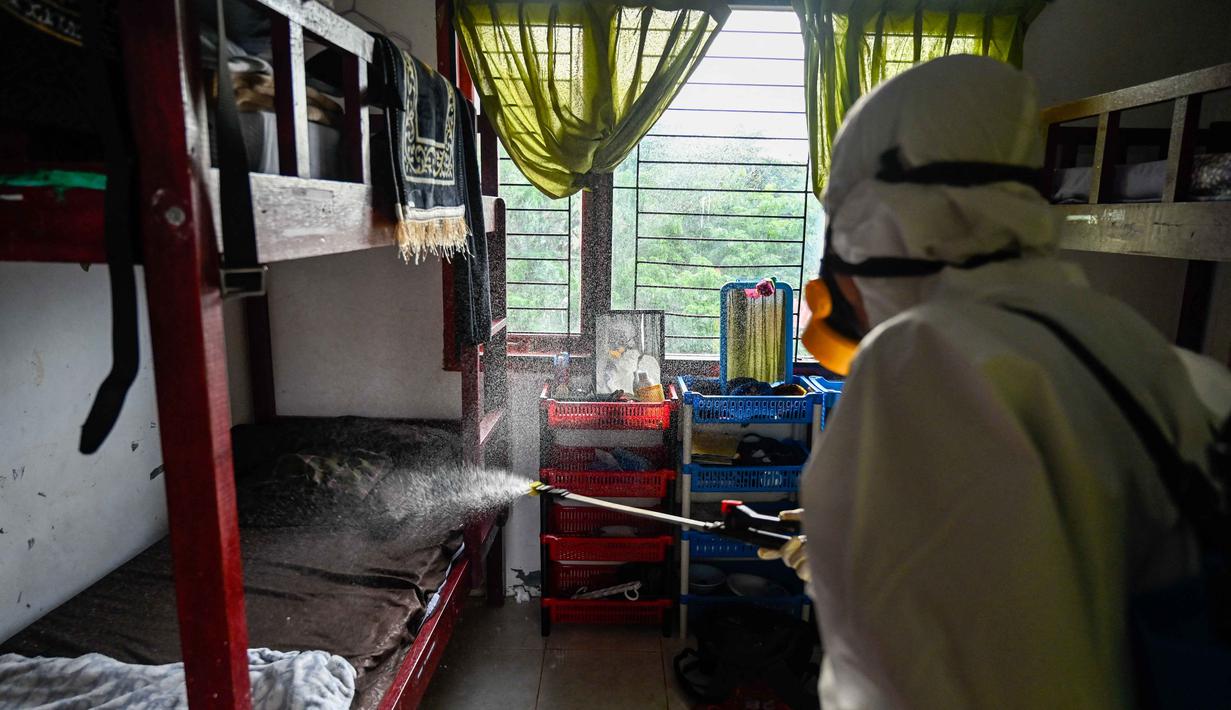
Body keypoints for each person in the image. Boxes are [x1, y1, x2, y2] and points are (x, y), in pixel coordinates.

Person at [759, 55, 1231, 709]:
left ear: (878, 217)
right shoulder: (1120, 335)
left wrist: (856, 562)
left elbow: (919, 672)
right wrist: (853, 538)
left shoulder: (922, 353)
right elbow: (1065, 554)